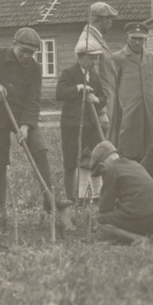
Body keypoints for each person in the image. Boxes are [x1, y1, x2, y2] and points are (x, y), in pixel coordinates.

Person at [0, 27, 71, 222]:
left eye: (31, 53)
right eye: (23, 50)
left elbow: (33, 99)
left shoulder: (35, 68)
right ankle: (1, 210)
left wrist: (25, 126)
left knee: (39, 150)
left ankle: (49, 201)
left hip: (23, 115)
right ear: (14, 44)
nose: (26, 55)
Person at [89, 141, 153, 245]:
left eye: (100, 172)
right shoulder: (134, 164)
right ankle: (151, 236)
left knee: (101, 220)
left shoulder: (110, 169)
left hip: (149, 216)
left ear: (103, 165)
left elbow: (104, 209)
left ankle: (138, 239)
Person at [56, 34, 107, 203]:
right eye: (91, 59)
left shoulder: (94, 75)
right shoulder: (69, 73)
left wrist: (97, 100)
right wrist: (77, 88)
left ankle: (92, 195)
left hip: (90, 125)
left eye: (96, 59)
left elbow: (103, 96)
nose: (94, 62)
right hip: (71, 124)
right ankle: (71, 197)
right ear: (81, 57)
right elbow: (59, 94)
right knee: (71, 162)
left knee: (91, 160)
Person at [110, 22, 153, 160]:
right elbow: (112, 90)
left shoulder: (151, 58)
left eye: (141, 39)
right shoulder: (118, 58)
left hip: (149, 113)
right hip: (128, 114)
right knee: (128, 150)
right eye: (134, 38)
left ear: (145, 39)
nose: (137, 42)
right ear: (127, 37)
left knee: (151, 151)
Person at [79, 2, 119, 136]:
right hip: (101, 103)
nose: (111, 24)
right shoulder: (90, 41)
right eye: (110, 20)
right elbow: (92, 77)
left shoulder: (97, 38)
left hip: (105, 99)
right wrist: (101, 112)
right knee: (101, 143)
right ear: (103, 20)